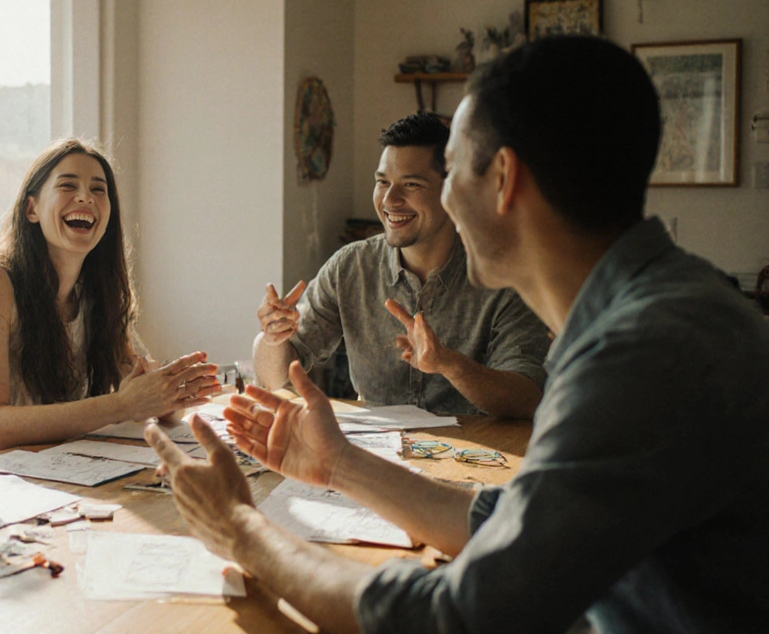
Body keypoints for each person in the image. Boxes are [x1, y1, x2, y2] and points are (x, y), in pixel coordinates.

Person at [148, 37, 769, 632]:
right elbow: (518, 526)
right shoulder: (667, 311)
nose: (427, 198)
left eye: (448, 174)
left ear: (505, 179)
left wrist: (241, 531)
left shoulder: (645, 355)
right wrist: (339, 464)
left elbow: (455, 617)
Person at [256, 112, 548, 418]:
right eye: (383, 182)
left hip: (476, 461)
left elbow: (527, 398)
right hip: (375, 454)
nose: (389, 200)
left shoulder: (504, 276)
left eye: (411, 184)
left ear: (452, 192)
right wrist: (273, 338)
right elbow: (276, 377)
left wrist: (449, 364)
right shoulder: (349, 267)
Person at [0, 138, 220, 455]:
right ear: (31, 208)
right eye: (67, 185)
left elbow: (137, 386)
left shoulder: (97, 291)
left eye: (98, 189)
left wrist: (169, 397)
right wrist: (122, 405)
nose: (85, 197)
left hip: (57, 469)